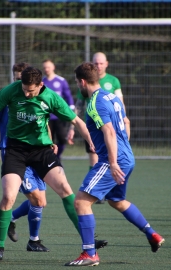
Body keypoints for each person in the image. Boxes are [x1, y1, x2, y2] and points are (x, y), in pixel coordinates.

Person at [0, 66, 107, 262]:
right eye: (24, 89)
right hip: (15, 151)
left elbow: (77, 121)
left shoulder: (50, 97)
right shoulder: (12, 90)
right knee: (8, 197)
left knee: (65, 190)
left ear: (41, 85)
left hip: (41, 151)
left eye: (31, 90)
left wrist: (91, 141)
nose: (27, 93)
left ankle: (88, 242)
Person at [65, 62, 165, 267]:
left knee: (81, 202)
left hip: (114, 160)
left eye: (77, 83)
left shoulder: (94, 102)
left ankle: (89, 254)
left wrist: (112, 162)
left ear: (83, 82)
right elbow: (126, 122)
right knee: (116, 200)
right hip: (127, 157)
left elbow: (109, 132)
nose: (78, 86)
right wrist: (122, 149)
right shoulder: (112, 97)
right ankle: (151, 233)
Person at [0, 62, 51, 252]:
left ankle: (30, 237)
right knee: (33, 197)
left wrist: (49, 142)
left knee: (41, 201)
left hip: (37, 152)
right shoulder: (9, 96)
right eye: (18, 78)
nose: (22, 83)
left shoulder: (37, 97)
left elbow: (43, 121)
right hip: (14, 152)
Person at [68, 52, 130, 204]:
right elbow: (79, 106)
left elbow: (120, 109)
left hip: (106, 128)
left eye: (101, 63)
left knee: (81, 202)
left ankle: (95, 190)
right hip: (95, 126)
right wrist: (72, 127)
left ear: (106, 64)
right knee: (117, 202)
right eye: (96, 63)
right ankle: (97, 190)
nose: (99, 65)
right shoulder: (90, 91)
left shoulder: (112, 82)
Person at [42, 59, 75, 161]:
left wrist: (71, 107)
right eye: (44, 67)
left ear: (53, 67)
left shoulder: (61, 81)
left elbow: (68, 96)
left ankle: (57, 156)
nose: (46, 69)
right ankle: (49, 159)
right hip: (46, 117)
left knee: (62, 138)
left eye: (48, 67)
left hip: (59, 116)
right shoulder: (42, 82)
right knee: (47, 140)